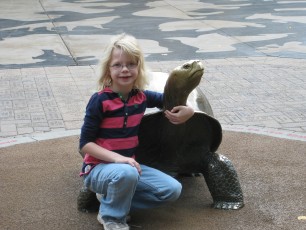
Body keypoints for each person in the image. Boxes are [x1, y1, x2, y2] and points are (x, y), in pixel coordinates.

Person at [79, 33, 195, 230]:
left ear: (138, 67)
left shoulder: (141, 97)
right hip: (98, 169)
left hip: (128, 169)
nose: (124, 69)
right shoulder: (99, 101)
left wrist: (189, 111)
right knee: (126, 173)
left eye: (131, 64)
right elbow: (84, 146)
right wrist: (119, 159)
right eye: (117, 65)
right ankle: (112, 219)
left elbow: (170, 100)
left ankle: (111, 201)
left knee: (172, 190)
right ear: (108, 69)